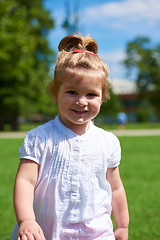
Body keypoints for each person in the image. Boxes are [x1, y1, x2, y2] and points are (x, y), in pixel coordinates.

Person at [11, 34, 129, 240]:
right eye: (72, 92)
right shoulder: (39, 138)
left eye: (91, 95)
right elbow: (25, 181)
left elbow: (115, 187)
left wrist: (122, 225)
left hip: (96, 232)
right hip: (48, 230)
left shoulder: (108, 141)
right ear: (55, 93)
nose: (82, 101)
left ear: (103, 97)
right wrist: (27, 220)